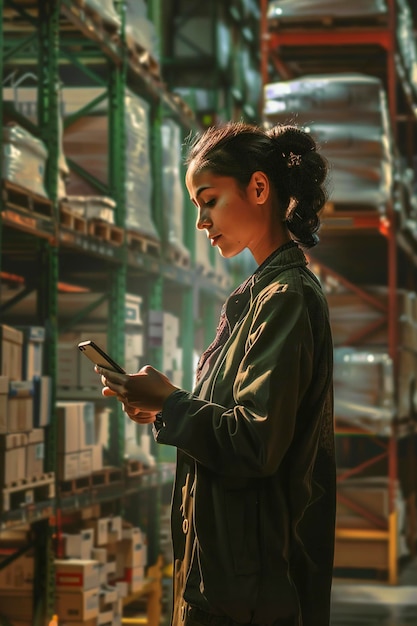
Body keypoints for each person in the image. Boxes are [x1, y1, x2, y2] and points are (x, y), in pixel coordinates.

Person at [96, 121, 336, 626]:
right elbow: (234, 421)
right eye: (196, 207)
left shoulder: (285, 299)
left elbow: (255, 441)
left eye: (209, 200)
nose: (201, 222)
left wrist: (170, 403)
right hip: (227, 580)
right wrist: (163, 406)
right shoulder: (259, 297)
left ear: (258, 188)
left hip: (251, 593)